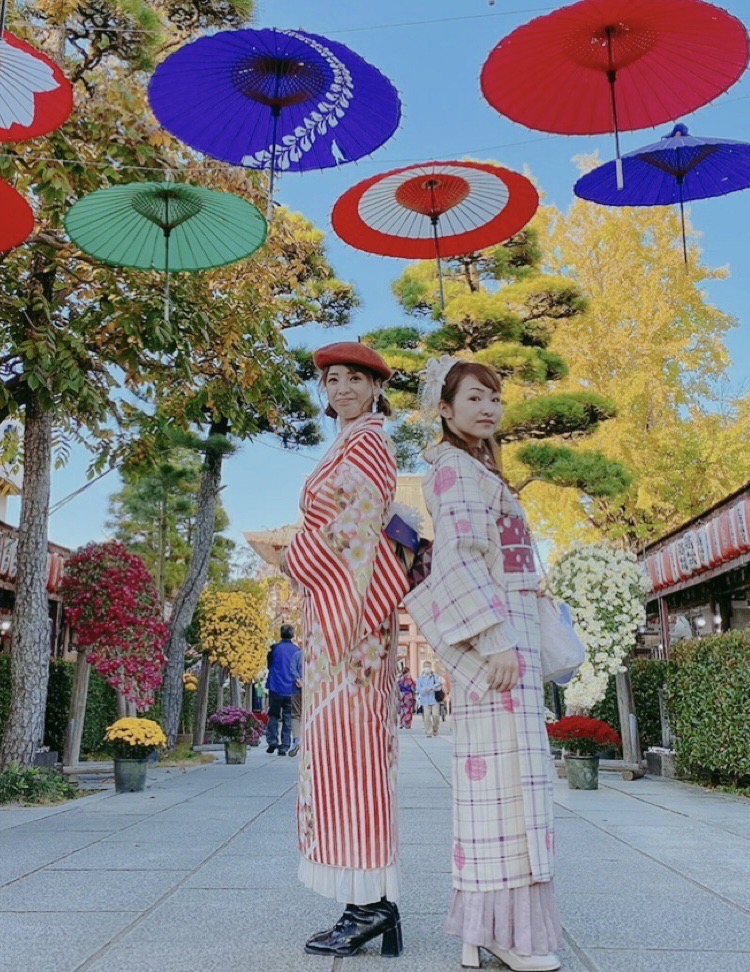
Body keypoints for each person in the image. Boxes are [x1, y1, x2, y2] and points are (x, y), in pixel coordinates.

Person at [404, 358, 562, 972]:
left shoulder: (469, 469)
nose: (489, 408)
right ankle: (505, 933)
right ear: (444, 409)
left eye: (495, 398)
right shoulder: (457, 472)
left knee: (501, 787)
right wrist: (494, 638)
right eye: (474, 397)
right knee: (506, 788)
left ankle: (483, 930)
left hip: (506, 642)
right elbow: (462, 561)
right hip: (500, 647)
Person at [282, 342, 409, 958]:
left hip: (351, 627)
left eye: (355, 380)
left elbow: (356, 528)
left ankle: (370, 906)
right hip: (335, 623)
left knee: (354, 756)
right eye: (332, 380)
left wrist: (299, 555)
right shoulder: (346, 442)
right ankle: (368, 900)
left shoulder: (369, 442)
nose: (342, 389)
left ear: (375, 388)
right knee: (339, 756)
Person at [265, 624, 302, 755]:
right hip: (291, 689)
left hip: (275, 687)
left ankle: (272, 740)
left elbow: (269, 665)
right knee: (288, 717)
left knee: (273, 715)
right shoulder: (297, 651)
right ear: (292, 635)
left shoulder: (275, 649)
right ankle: (285, 746)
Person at [416, 661, 444, 737]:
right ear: (423, 667)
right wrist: (424, 690)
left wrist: (432, 687)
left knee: (436, 715)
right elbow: (417, 689)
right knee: (426, 716)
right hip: (424, 699)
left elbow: (439, 683)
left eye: (428, 666)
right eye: (426, 666)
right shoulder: (420, 678)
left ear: (431, 667)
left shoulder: (435, 676)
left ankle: (435, 728)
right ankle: (429, 731)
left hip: (434, 699)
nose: (427, 668)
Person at [396, 664, 417, 729]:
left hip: (401, 694)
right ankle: (407, 724)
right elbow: (413, 687)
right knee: (408, 710)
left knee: (402, 710)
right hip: (408, 695)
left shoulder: (399, 678)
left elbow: (397, 687)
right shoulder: (409, 679)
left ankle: (401, 724)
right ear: (408, 672)